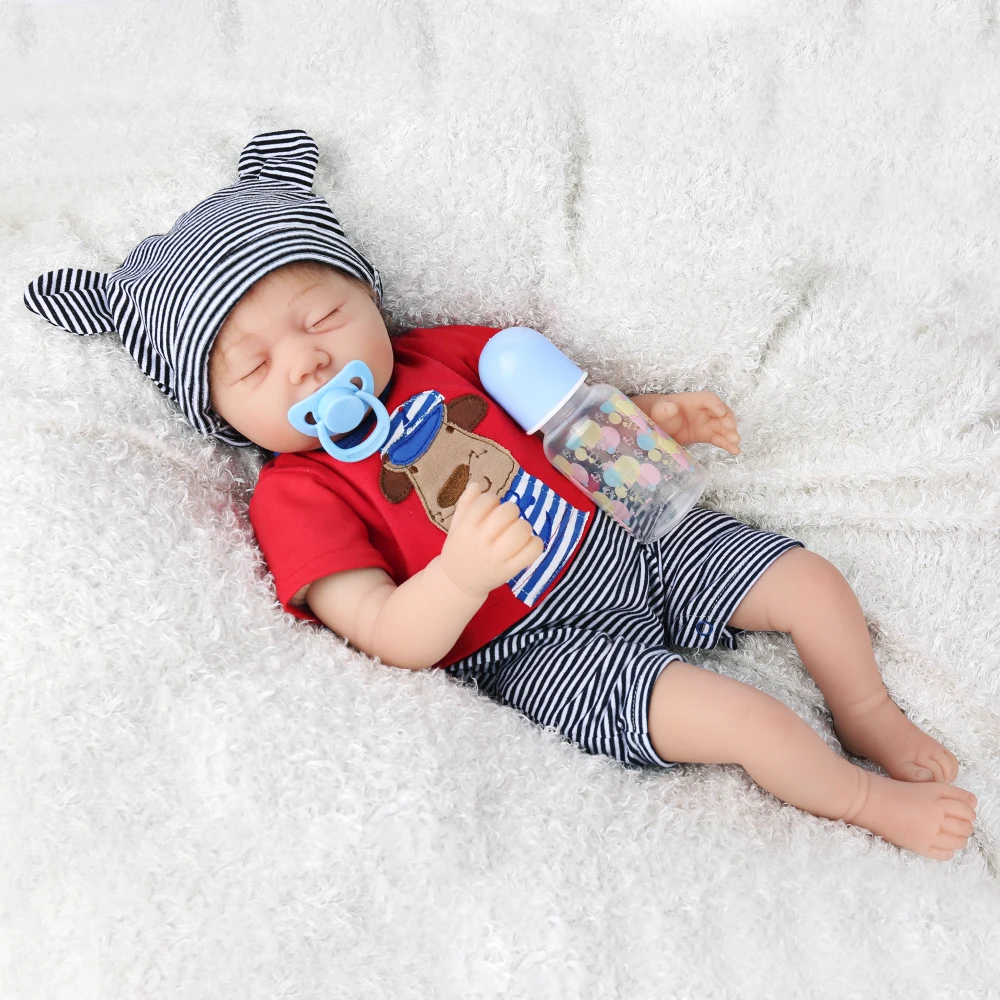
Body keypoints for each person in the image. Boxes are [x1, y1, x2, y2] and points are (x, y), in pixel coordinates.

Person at [23, 128, 977, 861]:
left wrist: (651, 421)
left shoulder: (443, 355)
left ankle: (866, 708)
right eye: (255, 366)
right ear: (219, 413)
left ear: (369, 296)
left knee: (811, 583)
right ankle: (866, 803)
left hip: (635, 531)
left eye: (322, 314)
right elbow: (387, 635)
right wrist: (458, 575)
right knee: (747, 722)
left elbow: (571, 416)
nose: (306, 359)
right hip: (538, 648)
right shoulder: (296, 495)